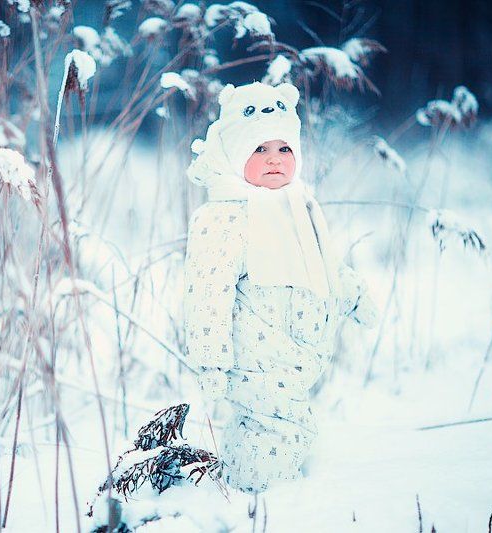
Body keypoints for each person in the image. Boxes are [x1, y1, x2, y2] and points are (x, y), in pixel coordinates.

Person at [183, 81, 378, 494]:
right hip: (258, 358)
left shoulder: (298, 203)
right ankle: (269, 502)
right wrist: (211, 362)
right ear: (235, 155)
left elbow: (321, 264)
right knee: (280, 429)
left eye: (284, 149)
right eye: (259, 150)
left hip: (295, 360)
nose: (274, 160)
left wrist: (352, 292)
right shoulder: (225, 216)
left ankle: (238, 487)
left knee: (274, 427)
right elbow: (207, 292)